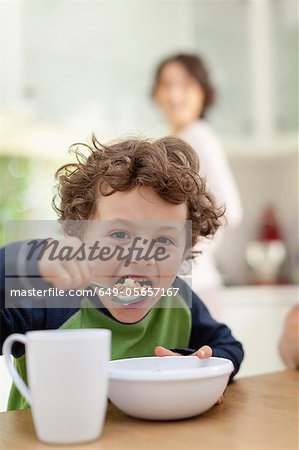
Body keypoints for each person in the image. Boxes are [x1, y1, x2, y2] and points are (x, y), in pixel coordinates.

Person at [0, 135, 244, 411]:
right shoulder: (49, 301)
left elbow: (228, 346)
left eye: (164, 241)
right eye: (119, 234)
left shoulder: (177, 299)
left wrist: (195, 365)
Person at [152, 53, 243, 318]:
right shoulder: (175, 139)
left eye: (184, 85)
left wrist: (184, 253)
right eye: (166, 85)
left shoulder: (198, 135)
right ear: (156, 92)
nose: (174, 94)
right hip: (187, 285)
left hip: (197, 286)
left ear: (203, 92)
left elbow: (230, 209)